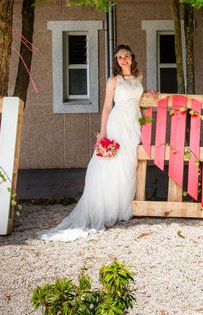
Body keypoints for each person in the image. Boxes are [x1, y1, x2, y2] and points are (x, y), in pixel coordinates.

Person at [40, 45, 144, 241]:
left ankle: (122, 207)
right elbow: (106, 107)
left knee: (128, 165)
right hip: (118, 122)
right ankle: (106, 208)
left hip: (133, 124)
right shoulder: (114, 81)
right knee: (112, 165)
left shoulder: (139, 78)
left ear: (132, 58)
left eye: (126, 56)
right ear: (117, 61)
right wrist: (103, 133)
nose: (124, 59)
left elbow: (139, 99)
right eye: (120, 57)